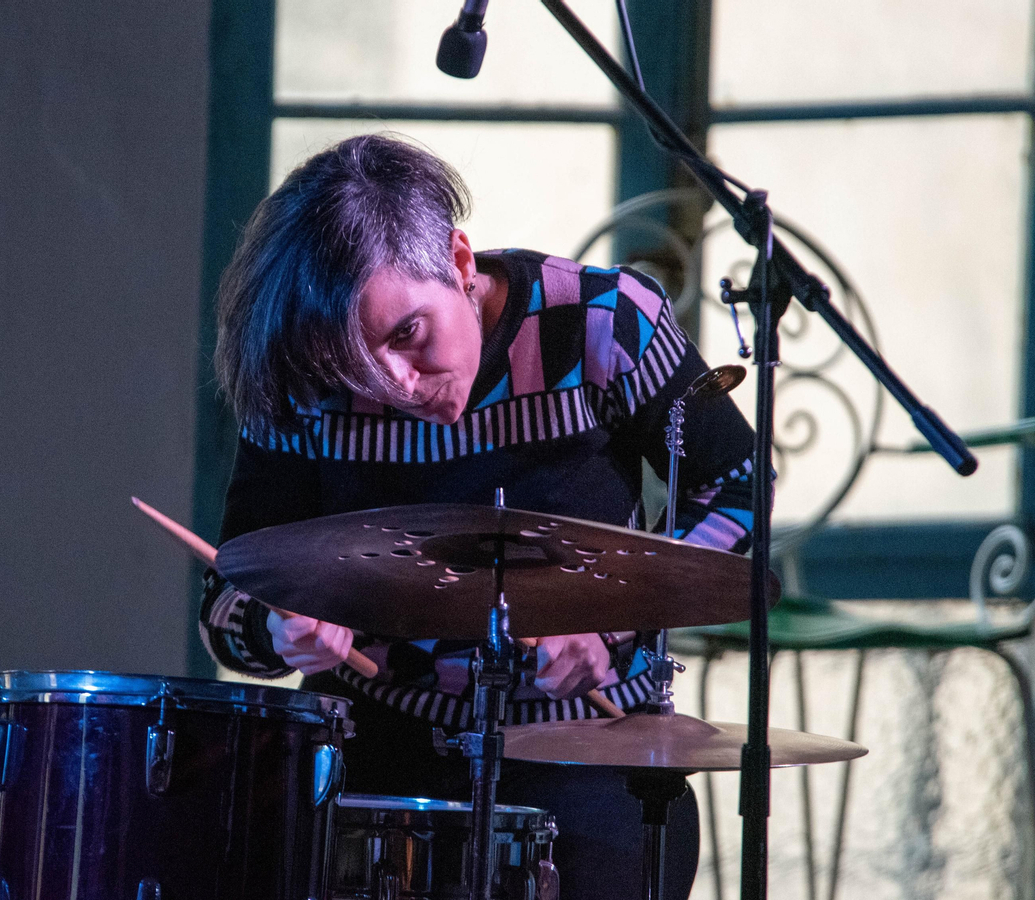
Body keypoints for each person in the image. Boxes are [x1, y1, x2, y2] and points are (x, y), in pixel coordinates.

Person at [200, 133, 758, 900]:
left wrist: (615, 622)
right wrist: (276, 629)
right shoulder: (302, 377)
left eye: (408, 334)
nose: (398, 382)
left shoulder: (604, 324)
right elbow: (227, 602)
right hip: (377, 752)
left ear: (460, 263)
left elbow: (737, 486)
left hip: (589, 748)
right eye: (358, 364)